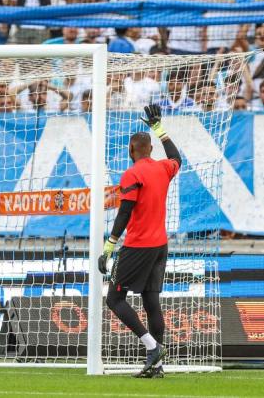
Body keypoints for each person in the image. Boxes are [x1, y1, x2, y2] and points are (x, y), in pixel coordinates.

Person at [98, 105, 182, 379]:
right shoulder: (163, 168)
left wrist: (109, 246)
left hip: (139, 245)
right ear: (150, 149)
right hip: (160, 244)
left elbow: (125, 212)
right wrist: (160, 129)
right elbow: (176, 157)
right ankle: (156, 368)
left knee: (114, 298)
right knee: (151, 301)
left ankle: (152, 347)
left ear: (131, 150)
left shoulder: (132, 174)